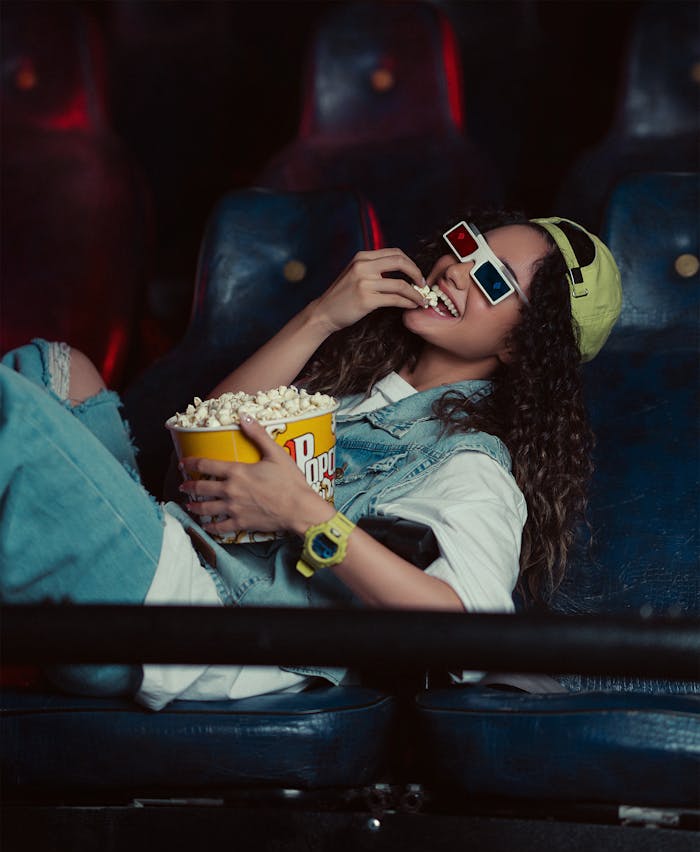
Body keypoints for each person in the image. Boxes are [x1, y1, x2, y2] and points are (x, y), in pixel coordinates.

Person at [0, 210, 622, 710]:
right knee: (55, 369)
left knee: (15, 418)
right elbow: (203, 441)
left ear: (523, 345)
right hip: (170, 557)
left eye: (493, 281)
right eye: (466, 246)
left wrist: (303, 511)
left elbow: (468, 632)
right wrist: (322, 315)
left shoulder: (471, 462)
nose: (458, 271)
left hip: (197, 627)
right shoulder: (356, 396)